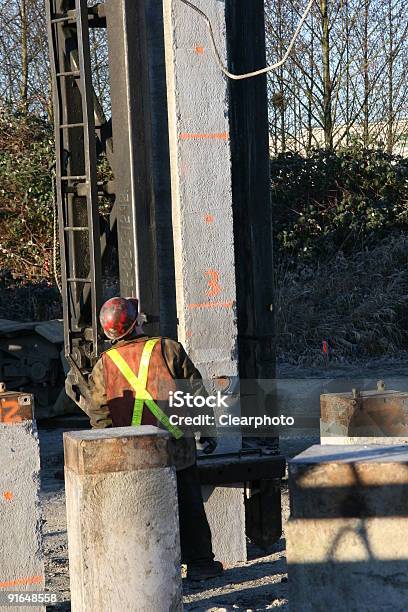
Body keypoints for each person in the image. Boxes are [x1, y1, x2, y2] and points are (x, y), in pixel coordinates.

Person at [87, 296, 223, 581]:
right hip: (177, 449)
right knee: (189, 506)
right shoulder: (168, 349)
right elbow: (196, 394)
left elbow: (99, 414)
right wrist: (207, 430)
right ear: (136, 323)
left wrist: (113, 449)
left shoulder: (104, 365)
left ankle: (147, 571)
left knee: (141, 512)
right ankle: (200, 565)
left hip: (133, 455)